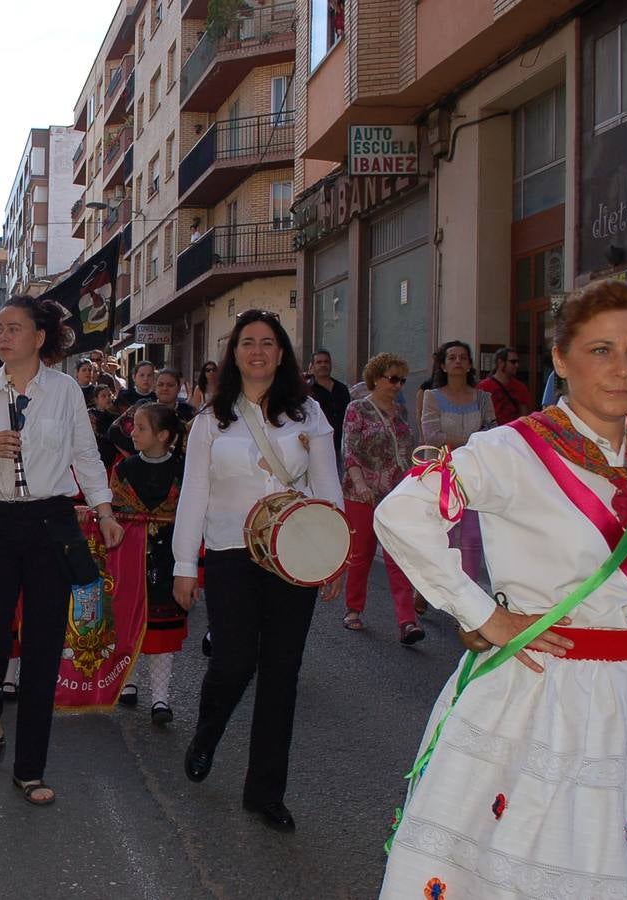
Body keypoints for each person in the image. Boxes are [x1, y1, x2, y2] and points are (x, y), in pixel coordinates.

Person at [373, 279, 627, 897]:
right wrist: (483, 614)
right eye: (601, 350)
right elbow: (402, 512)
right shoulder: (510, 451)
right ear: (560, 358)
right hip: (546, 692)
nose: (623, 369)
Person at [0, 295, 124, 807]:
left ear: (39, 338)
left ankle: (31, 768)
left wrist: (105, 510)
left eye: (14, 328)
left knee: (44, 646)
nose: (3, 336)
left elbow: (85, 456)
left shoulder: (66, 391)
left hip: (51, 522)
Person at [171, 309, 344, 833]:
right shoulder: (209, 420)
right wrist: (184, 563)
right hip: (230, 554)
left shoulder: (309, 414)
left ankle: (265, 792)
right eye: (248, 342)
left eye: (269, 342)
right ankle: (207, 732)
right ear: (235, 352)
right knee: (233, 662)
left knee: (281, 674)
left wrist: (335, 552)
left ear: (282, 352)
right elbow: (195, 494)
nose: (258, 351)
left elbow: (327, 483)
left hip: (296, 553)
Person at [110, 403, 187, 726]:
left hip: (169, 557)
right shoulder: (125, 470)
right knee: (129, 621)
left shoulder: (184, 470)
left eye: (141, 428)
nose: (133, 433)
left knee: (162, 629)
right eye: (133, 427)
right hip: (130, 556)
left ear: (164, 435)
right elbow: (112, 510)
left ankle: (160, 697)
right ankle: (127, 681)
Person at [340, 353, 421, 642]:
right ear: (375, 378)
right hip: (361, 492)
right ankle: (353, 609)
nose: (398, 385)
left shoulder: (401, 413)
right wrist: (360, 482)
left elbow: (407, 452)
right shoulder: (357, 408)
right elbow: (348, 448)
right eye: (392, 379)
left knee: (397, 555)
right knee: (361, 553)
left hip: (394, 493)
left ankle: (407, 621)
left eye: (401, 380)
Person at [422, 340, 497, 582]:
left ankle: (469, 603)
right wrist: (474, 440)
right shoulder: (431, 397)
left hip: (474, 474)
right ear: (443, 366)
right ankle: (433, 586)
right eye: (452, 357)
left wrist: (465, 442)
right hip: (440, 474)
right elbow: (433, 437)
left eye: (463, 357)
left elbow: (493, 433)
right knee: (443, 535)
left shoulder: (484, 398)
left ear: (469, 365)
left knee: (472, 539)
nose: (458, 361)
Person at [307, 349, 351, 458]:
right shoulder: (307, 391)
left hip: (341, 446)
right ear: (312, 366)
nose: (323, 365)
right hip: (318, 447)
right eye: (319, 362)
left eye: (326, 362)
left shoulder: (342, 389)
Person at [476, 346, 532, 425]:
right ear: (500, 363)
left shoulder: (520, 388)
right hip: (491, 433)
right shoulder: (484, 387)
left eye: (517, 362)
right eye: (513, 362)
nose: (517, 365)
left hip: (512, 432)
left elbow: (525, 417)